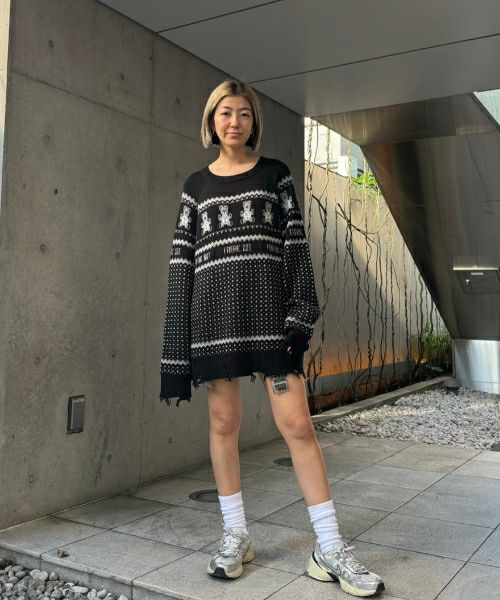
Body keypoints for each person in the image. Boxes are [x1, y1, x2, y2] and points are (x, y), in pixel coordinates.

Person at [159, 77, 384, 597]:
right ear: (211, 121)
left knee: (298, 426)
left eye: (243, 113)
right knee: (224, 424)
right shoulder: (196, 187)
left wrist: (299, 320)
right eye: (224, 113)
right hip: (214, 326)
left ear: (253, 120)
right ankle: (236, 535)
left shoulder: (275, 175)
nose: (234, 122)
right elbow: (181, 266)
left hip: (270, 324)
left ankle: (329, 547)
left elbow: (296, 249)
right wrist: (177, 349)